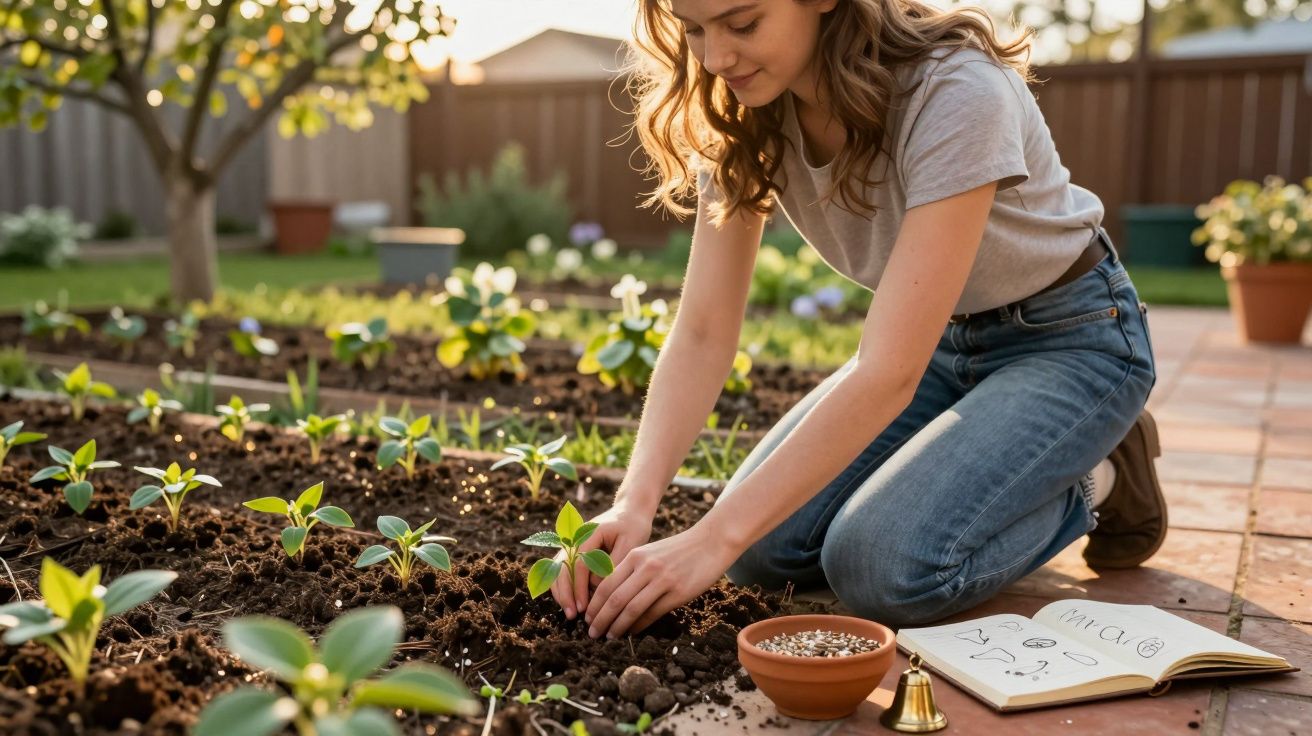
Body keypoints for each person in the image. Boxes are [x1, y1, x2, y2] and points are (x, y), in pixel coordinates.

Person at [550, 0, 1163, 640]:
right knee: (759, 552)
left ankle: (1099, 472)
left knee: (880, 567)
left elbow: (888, 371)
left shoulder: (956, 91)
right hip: (939, 342)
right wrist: (634, 501)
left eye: (743, 23)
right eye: (695, 28)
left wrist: (710, 538)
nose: (715, 57)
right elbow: (704, 329)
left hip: (1068, 340)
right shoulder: (746, 108)